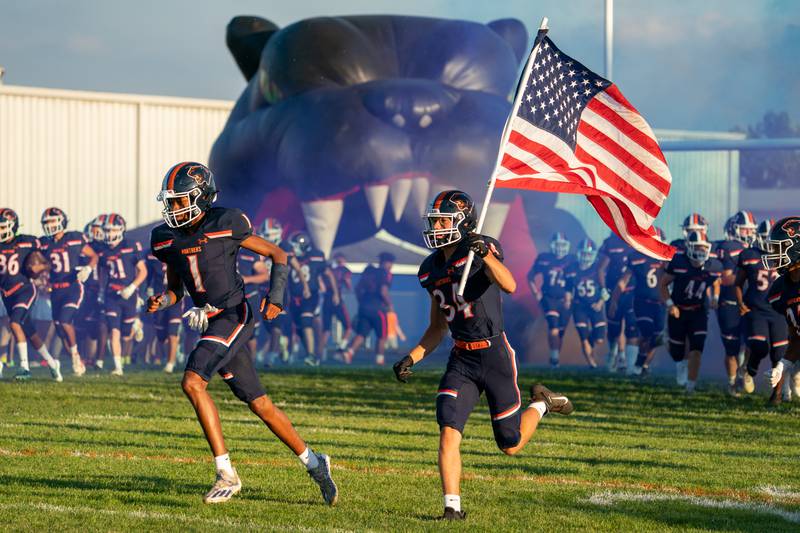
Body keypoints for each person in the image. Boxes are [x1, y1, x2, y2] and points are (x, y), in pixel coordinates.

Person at [148, 162, 337, 504]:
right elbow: (176, 288)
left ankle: (226, 473)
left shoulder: (225, 223)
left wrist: (275, 296)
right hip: (211, 320)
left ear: (201, 197)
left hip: (235, 314)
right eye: (171, 202)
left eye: (180, 201)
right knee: (260, 404)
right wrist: (163, 300)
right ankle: (314, 462)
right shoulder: (165, 239)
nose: (173, 209)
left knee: (192, 382)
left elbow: (277, 254)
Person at [391, 190, 573, 520]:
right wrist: (412, 357)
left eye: (443, 219)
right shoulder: (430, 269)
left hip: (495, 355)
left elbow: (510, 285)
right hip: (461, 360)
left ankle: (542, 402)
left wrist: (486, 256)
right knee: (448, 430)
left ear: (462, 222)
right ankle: (452, 509)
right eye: (435, 220)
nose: (436, 226)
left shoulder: (480, 250)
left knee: (511, 444)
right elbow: (437, 327)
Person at [0, 208, 62, 381]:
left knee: (14, 324)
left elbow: (49, 257)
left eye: (3, 227)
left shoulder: (27, 241)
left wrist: (40, 267)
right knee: (30, 332)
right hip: (7, 294)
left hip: (24, 289)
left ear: (13, 226)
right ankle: (52, 363)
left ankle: (24, 368)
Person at [39, 207, 99, 376]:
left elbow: (94, 256)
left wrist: (88, 268)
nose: (49, 225)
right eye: (46, 222)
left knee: (65, 321)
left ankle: (74, 356)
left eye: (52, 221)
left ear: (61, 222)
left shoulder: (74, 238)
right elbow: (40, 262)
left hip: (73, 287)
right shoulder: (44, 243)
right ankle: (76, 357)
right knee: (59, 329)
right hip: (56, 290)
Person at [660, 230, 722, 393]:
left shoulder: (713, 266)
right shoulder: (679, 262)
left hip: (698, 311)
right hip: (678, 310)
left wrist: (715, 298)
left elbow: (716, 282)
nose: (701, 251)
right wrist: (670, 304)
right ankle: (680, 365)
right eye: (697, 247)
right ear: (689, 247)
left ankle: (690, 386)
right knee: (677, 352)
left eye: (704, 248)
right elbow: (663, 284)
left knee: (696, 349)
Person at [735, 219, 787, 403]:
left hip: (779, 311)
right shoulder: (749, 255)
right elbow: (738, 282)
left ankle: (777, 395)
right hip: (756, 309)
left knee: (779, 355)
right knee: (758, 347)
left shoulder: (787, 257)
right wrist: (740, 303)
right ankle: (750, 370)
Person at [611, 228, 667, 376]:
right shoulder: (636, 257)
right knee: (647, 333)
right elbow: (623, 281)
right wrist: (614, 301)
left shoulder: (665, 260)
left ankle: (643, 364)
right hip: (642, 302)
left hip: (660, 304)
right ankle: (637, 366)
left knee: (657, 337)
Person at [102, 213, 147, 375]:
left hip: (129, 294)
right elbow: (102, 273)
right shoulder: (103, 250)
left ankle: (135, 324)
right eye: (107, 230)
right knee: (114, 330)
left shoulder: (131, 245)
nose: (109, 234)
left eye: (112, 230)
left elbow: (143, 271)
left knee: (126, 334)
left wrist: (132, 288)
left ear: (121, 230)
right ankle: (118, 367)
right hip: (112, 295)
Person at [714, 211, 754, 394]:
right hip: (729, 302)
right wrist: (748, 273)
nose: (748, 233)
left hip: (750, 303)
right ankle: (732, 383)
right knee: (731, 348)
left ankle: (743, 371)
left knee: (753, 342)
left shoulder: (756, 248)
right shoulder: (730, 247)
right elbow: (726, 278)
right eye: (745, 229)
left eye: (750, 229)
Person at [762, 216, 800, 400]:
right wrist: (782, 366)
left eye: (779, 248)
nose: (774, 254)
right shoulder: (780, 290)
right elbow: (796, 337)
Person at [528, 232, 576, 368]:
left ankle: (555, 356)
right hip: (549, 298)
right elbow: (530, 276)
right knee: (553, 328)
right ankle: (554, 359)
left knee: (560, 332)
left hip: (565, 300)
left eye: (563, 245)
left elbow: (574, 280)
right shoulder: (544, 258)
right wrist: (536, 293)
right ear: (552, 246)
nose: (560, 248)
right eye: (558, 244)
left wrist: (571, 296)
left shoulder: (572, 260)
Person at [285, 231, 333, 366]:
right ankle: (309, 353)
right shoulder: (290, 256)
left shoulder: (316, 256)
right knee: (299, 327)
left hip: (310, 295)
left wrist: (335, 293)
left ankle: (312, 355)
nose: (293, 248)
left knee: (307, 322)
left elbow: (328, 273)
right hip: (294, 297)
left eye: (295, 246)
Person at [340, 252, 394, 365]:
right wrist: (389, 305)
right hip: (378, 308)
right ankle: (379, 360)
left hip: (364, 307)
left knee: (361, 334)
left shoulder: (369, 272)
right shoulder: (385, 274)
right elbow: (383, 292)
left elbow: (357, 288)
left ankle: (349, 352)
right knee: (382, 335)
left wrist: (362, 302)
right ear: (387, 262)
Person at [565, 239, 606, 368]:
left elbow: (606, 290)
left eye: (589, 254)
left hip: (595, 306)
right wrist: (567, 300)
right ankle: (591, 364)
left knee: (599, 339)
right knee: (583, 336)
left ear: (593, 255)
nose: (586, 257)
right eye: (583, 254)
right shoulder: (572, 268)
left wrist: (600, 302)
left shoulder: (598, 269)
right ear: (579, 254)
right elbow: (568, 288)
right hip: (579, 306)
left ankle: (591, 347)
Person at [598, 232, 635, 371]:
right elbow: (601, 268)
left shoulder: (637, 241)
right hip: (614, 291)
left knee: (631, 325)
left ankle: (624, 358)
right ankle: (613, 352)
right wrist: (603, 288)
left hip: (632, 291)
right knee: (614, 326)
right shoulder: (610, 242)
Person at [320, 252, 352, 353]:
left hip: (326, 299)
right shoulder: (343, 270)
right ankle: (341, 348)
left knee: (326, 329)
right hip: (336, 299)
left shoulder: (329, 268)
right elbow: (348, 285)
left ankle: (319, 353)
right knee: (348, 326)